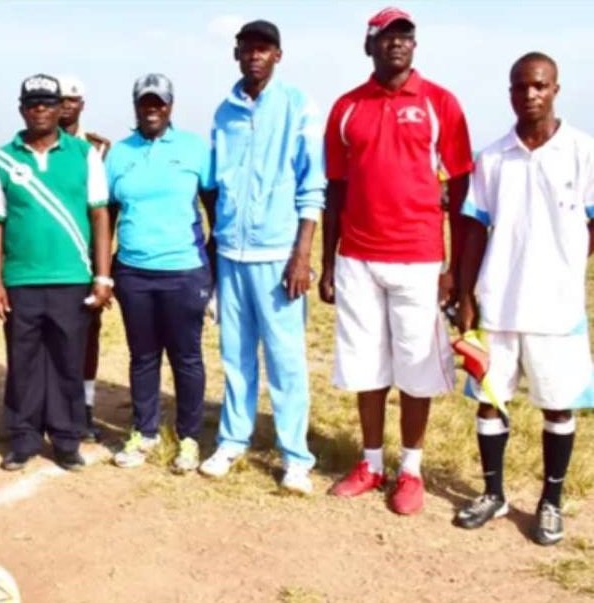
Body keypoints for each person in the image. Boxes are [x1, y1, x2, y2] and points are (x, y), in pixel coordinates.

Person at [320, 7, 473, 514]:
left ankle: (410, 470)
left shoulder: (440, 103)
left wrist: (453, 268)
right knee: (366, 368)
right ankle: (370, 463)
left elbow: (460, 183)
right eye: (387, 37)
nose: (398, 44)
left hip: (418, 258)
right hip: (358, 257)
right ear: (369, 46)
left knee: (416, 368)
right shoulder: (346, 107)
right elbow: (336, 190)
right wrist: (327, 263)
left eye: (405, 36)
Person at [454, 52, 593, 545]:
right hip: (499, 305)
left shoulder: (583, 150)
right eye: (520, 86)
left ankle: (551, 502)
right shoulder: (493, 157)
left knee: (557, 407)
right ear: (510, 92)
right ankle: (493, 494)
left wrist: (568, 268)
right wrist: (467, 294)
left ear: (556, 88)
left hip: (556, 310)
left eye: (539, 85)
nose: (529, 94)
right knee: (490, 403)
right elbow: (475, 229)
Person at [197, 21, 324, 493]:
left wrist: (302, 253)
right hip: (232, 253)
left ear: (278, 55)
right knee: (235, 354)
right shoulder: (224, 112)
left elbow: (313, 185)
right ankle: (232, 440)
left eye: (264, 49)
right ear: (236, 55)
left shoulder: (298, 106)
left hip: (279, 253)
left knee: (286, 359)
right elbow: (213, 184)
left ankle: (296, 456)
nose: (255, 56)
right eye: (247, 49)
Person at [0, 74, 112, 472]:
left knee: (66, 360)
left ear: (61, 108)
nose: (40, 109)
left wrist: (103, 276)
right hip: (21, 279)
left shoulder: (84, 155)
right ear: (22, 108)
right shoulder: (2, 157)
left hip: (72, 277)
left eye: (48, 103)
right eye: (33, 103)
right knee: (22, 360)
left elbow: (99, 214)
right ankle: (23, 437)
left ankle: (65, 439)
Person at [105, 74, 214, 474]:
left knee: (187, 358)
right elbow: (109, 214)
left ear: (171, 106)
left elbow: (214, 209)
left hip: (184, 271)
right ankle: (144, 431)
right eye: (145, 102)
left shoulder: (194, 149)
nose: (152, 109)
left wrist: (210, 272)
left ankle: (188, 438)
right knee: (143, 357)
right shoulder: (118, 154)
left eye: (159, 103)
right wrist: (108, 270)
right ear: (135, 105)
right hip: (134, 273)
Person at [57, 74, 111, 442]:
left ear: (82, 105)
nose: (64, 105)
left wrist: (104, 267)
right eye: (58, 99)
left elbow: (108, 209)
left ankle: (85, 405)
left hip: (88, 258)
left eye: (71, 100)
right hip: (49, 258)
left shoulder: (99, 149)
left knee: (87, 335)